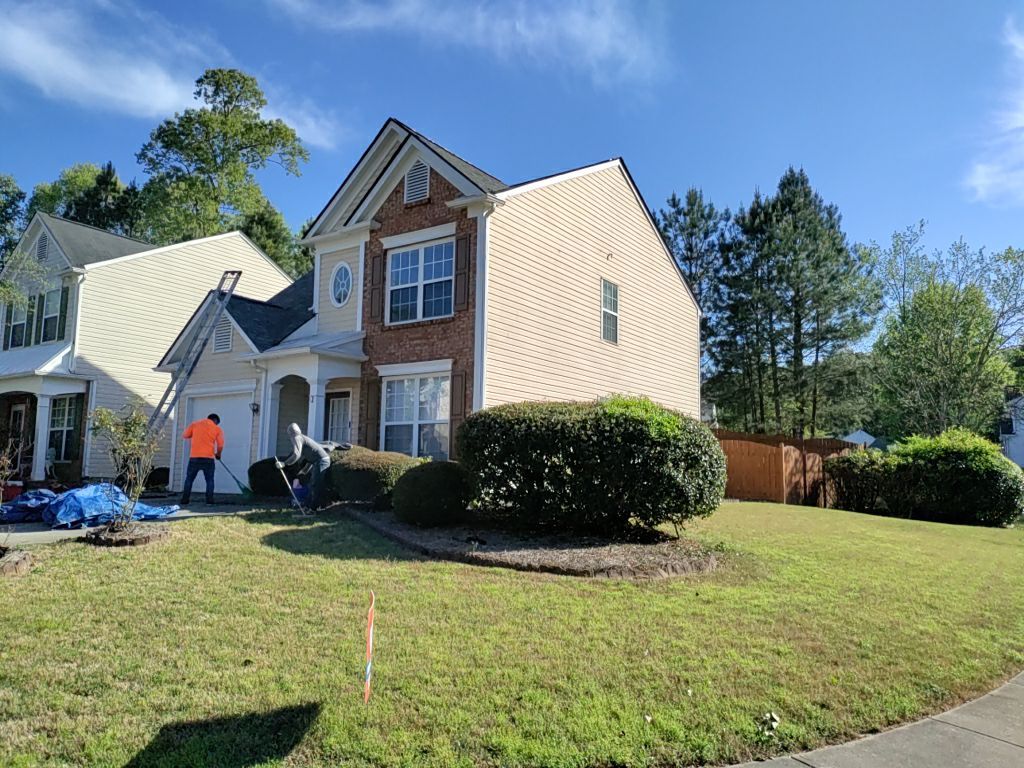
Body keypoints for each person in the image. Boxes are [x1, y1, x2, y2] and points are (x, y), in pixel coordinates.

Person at [276, 423, 330, 510]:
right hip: (318, 461)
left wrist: (284, 463)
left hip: (322, 460)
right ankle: (309, 506)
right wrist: (305, 470)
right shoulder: (301, 437)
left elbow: (296, 454)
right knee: (312, 483)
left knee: (316, 484)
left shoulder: (296, 437)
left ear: (290, 433)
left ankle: (314, 508)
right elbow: (310, 456)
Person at [181, 413, 224, 505]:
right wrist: (218, 455)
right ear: (215, 420)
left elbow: (185, 435)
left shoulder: (195, 424)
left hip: (194, 457)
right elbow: (220, 445)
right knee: (209, 480)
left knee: (189, 479)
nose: (216, 425)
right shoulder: (217, 429)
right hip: (208, 458)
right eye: (217, 423)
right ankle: (209, 501)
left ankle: (184, 500)